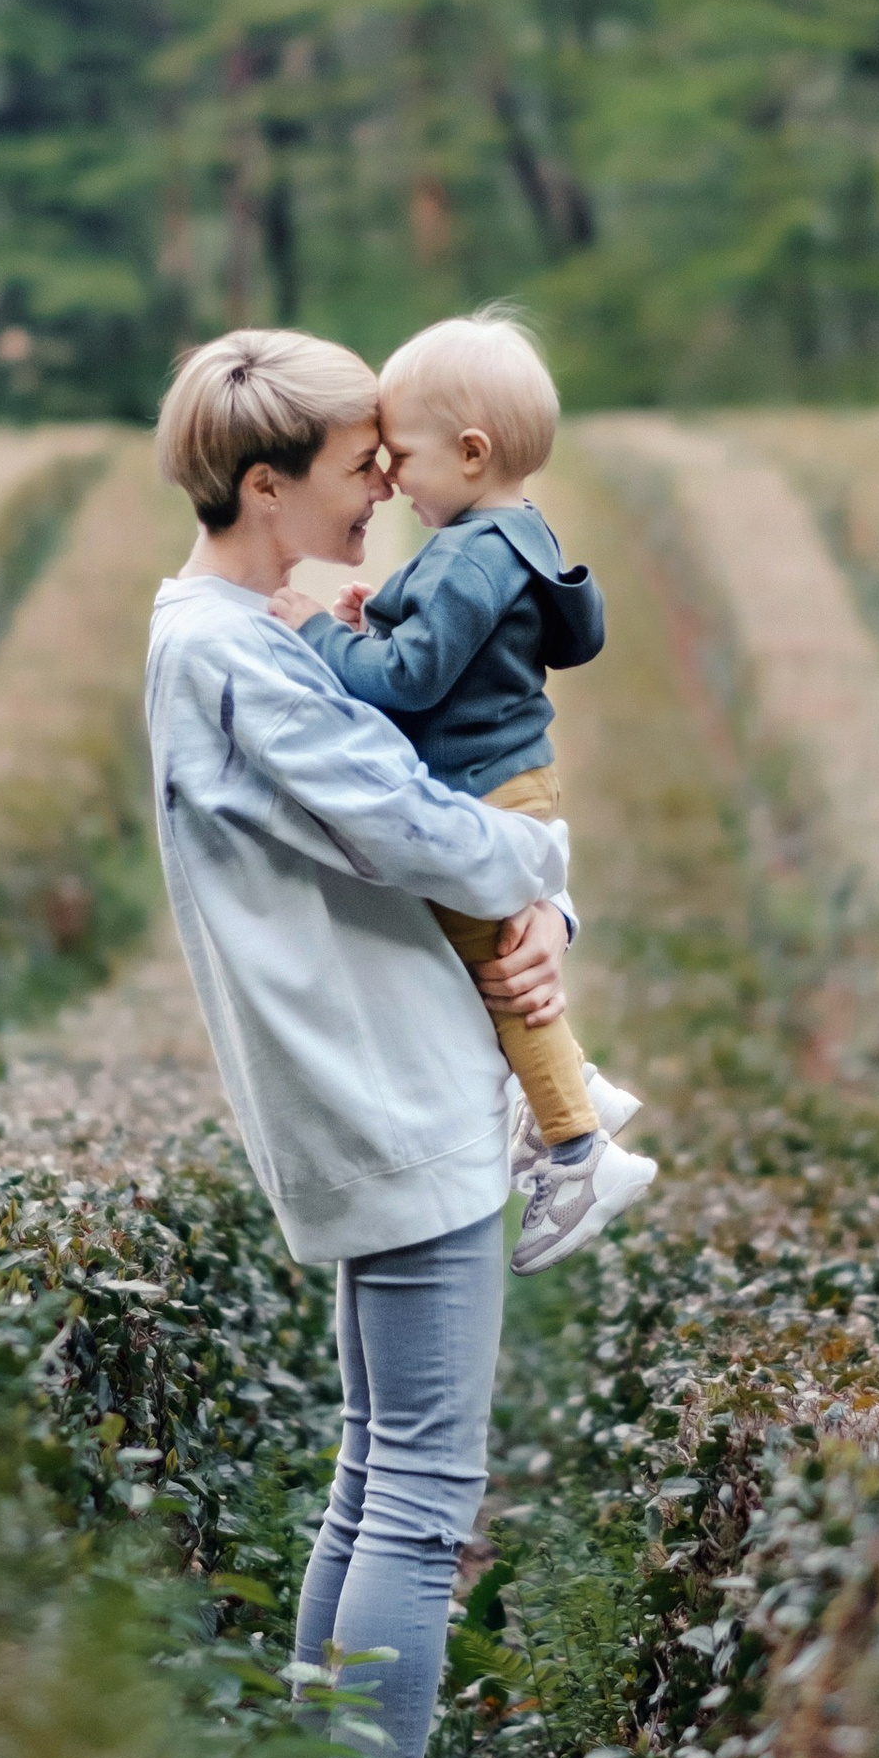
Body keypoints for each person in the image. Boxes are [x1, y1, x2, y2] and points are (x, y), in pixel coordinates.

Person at [144, 325, 576, 1758]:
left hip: (375, 1089)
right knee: (420, 1496)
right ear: (268, 485)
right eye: (357, 466)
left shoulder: (216, 633)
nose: (385, 489)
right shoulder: (239, 656)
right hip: (386, 1101)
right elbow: (416, 824)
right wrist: (543, 873)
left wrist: (537, 910)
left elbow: (424, 834)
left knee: (370, 1476)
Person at [269, 304, 656, 1275]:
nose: (388, 477)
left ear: (472, 452)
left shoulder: (466, 554)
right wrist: (379, 614)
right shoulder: (517, 537)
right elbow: (489, 640)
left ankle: (576, 1149)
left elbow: (409, 682)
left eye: (400, 455)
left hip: (480, 789)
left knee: (491, 971)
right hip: (513, 780)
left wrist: (322, 634)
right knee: (493, 964)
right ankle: (579, 1088)